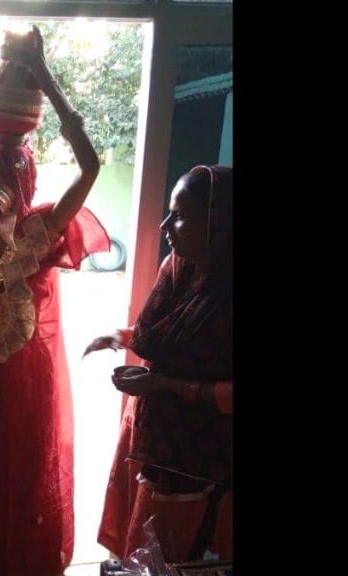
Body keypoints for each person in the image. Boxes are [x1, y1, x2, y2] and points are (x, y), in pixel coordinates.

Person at [0, 27, 111, 575]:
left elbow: (90, 165)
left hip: (25, 384)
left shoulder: (40, 232)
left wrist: (48, 81)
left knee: (22, 478)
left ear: (20, 191)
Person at [85, 165, 233, 564]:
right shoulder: (179, 268)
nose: (166, 224)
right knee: (144, 547)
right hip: (157, 437)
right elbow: (167, 333)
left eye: (180, 215)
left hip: (202, 454)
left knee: (179, 552)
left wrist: (166, 384)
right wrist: (121, 337)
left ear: (218, 221)